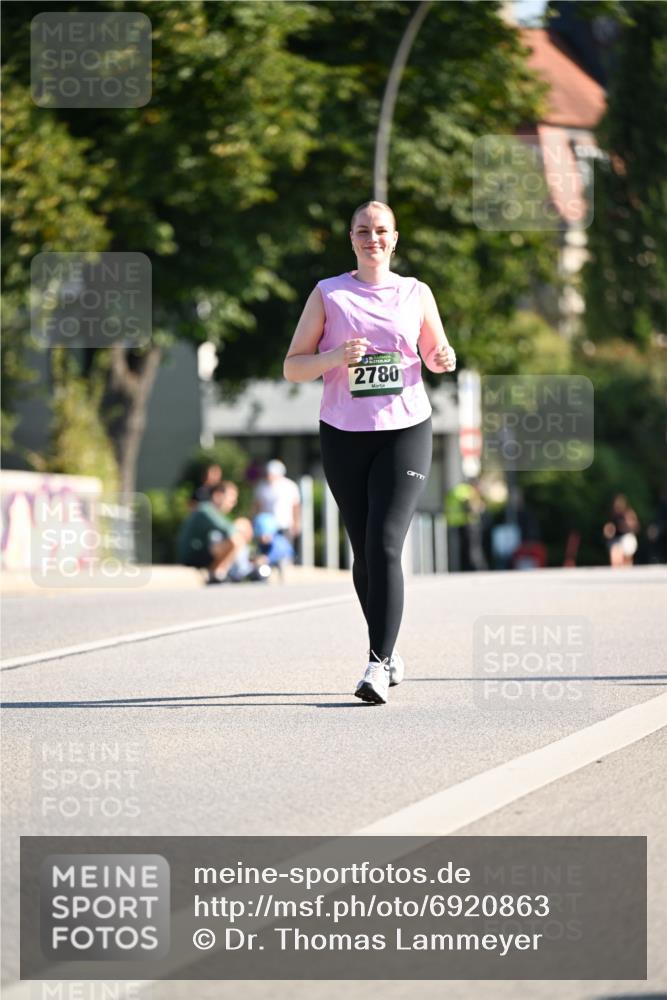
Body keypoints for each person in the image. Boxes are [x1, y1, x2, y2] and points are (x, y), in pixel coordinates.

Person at [283, 200, 456, 704]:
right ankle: (390, 649)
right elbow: (293, 366)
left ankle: (377, 663)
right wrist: (335, 356)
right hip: (343, 432)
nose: (372, 238)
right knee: (363, 550)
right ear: (351, 238)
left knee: (384, 543)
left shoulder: (416, 292)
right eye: (363, 230)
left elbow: (435, 354)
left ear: (395, 238)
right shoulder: (329, 293)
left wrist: (442, 357)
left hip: (405, 429)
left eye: (381, 230)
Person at [177, 481, 253, 584]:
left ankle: (235, 569)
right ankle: (217, 573)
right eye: (231, 499)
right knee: (235, 541)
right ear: (218, 495)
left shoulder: (213, 512)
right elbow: (229, 530)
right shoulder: (205, 510)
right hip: (192, 555)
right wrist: (241, 525)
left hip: (204, 552)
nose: (233, 503)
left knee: (235, 539)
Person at [252, 460, 302, 550]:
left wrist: (296, 523)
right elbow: (257, 505)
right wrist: (254, 521)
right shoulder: (261, 486)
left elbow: (295, 506)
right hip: (266, 526)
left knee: (284, 550)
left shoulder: (290, 486)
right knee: (266, 551)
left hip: (285, 524)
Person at [603, 493, 640, 568]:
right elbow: (609, 529)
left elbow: (636, 528)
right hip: (616, 539)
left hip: (627, 537)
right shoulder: (613, 515)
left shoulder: (628, 514)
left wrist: (627, 526)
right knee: (615, 557)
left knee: (626, 560)